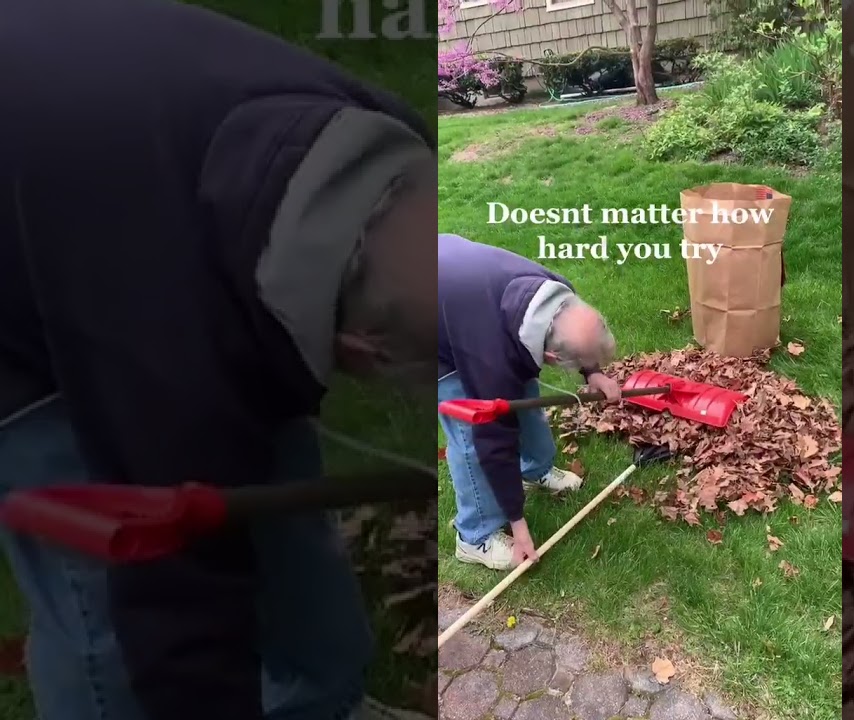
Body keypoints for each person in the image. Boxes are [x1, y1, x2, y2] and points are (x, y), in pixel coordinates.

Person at [0, 1, 443, 719]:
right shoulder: (167, 348)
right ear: (364, 347)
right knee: (110, 599)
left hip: (98, 154)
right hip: (29, 292)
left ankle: (316, 701)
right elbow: (174, 608)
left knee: (264, 485)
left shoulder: (394, 148)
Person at [438, 233, 622, 570]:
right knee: (471, 433)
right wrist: (519, 525)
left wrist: (593, 372)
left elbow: (574, 336)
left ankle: (534, 469)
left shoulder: (557, 294)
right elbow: (493, 440)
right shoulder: (491, 355)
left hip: (458, 284)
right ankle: (474, 536)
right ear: (551, 354)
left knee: (523, 390)